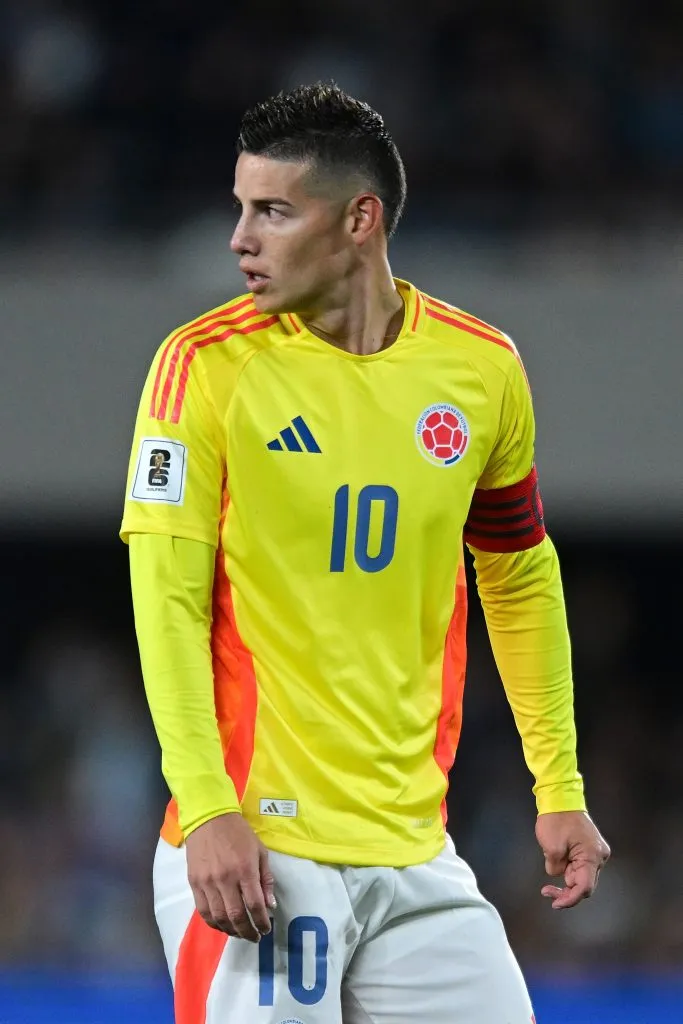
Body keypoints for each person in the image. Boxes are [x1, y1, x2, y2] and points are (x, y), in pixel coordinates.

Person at [121, 82, 610, 1024]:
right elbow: (166, 600)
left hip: (415, 850)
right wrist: (207, 807)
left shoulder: (480, 369)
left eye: (271, 210)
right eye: (238, 207)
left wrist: (560, 786)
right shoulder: (203, 367)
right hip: (260, 843)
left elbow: (516, 574)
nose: (239, 238)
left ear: (358, 219)